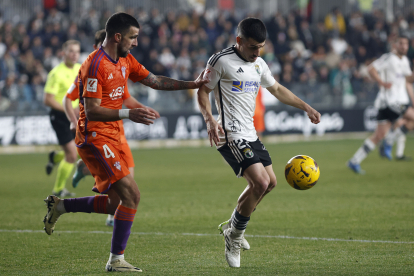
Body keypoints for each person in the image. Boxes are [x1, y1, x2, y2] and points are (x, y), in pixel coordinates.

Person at [43, 12, 207, 272]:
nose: (136, 43)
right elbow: (93, 109)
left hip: (113, 134)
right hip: (94, 136)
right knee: (132, 195)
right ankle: (116, 260)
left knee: (114, 203)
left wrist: (193, 84)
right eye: (133, 37)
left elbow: (153, 80)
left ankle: (60, 206)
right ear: (117, 36)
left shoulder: (125, 59)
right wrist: (128, 113)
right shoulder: (95, 64)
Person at [197, 17, 321, 268]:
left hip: (250, 134)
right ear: (239, 41)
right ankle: (234, 236)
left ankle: (233, 225)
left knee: (271, 183)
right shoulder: (220, 61)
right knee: (260, 182)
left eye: (261, 47)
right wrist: (209, 119)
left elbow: (276, 89)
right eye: (253, 47)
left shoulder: (259, 64)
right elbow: (202, 90)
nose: (257, 52)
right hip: (230, 133)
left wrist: (305, 106)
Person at [63, 29, 160, 227]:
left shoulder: (120, 66)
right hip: (99, 134)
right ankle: (113, 225)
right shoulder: (91, 68)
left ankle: (82, 180)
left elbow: (127, 98)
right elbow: (70, 99)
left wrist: (142, 109)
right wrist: (73, 120)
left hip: (118, 132)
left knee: (127, 181)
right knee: (129, 187)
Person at [348, 35, 414, 174]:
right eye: (401, 43)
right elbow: (371, 69)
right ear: (395, 45)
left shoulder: (405, 61)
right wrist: (381, 82)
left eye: (406, 44)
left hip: (396, 101)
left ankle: (354, 161)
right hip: (390, 101)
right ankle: (389, 142)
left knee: (378, 135)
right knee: (410, 120)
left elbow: (407, 80)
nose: (404, 46)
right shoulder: (389, 58)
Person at [43, 40, 81, 197]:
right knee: (72, 155)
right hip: (59, 116)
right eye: (71, 51)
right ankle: (58, 190)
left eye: (77, 51)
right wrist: (70, 109)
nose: (74, 54)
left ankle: (56, 156)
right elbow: (48, 99)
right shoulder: (56, 73)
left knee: (79, 150)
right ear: (63, 53)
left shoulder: (80, 69)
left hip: (76, 115)